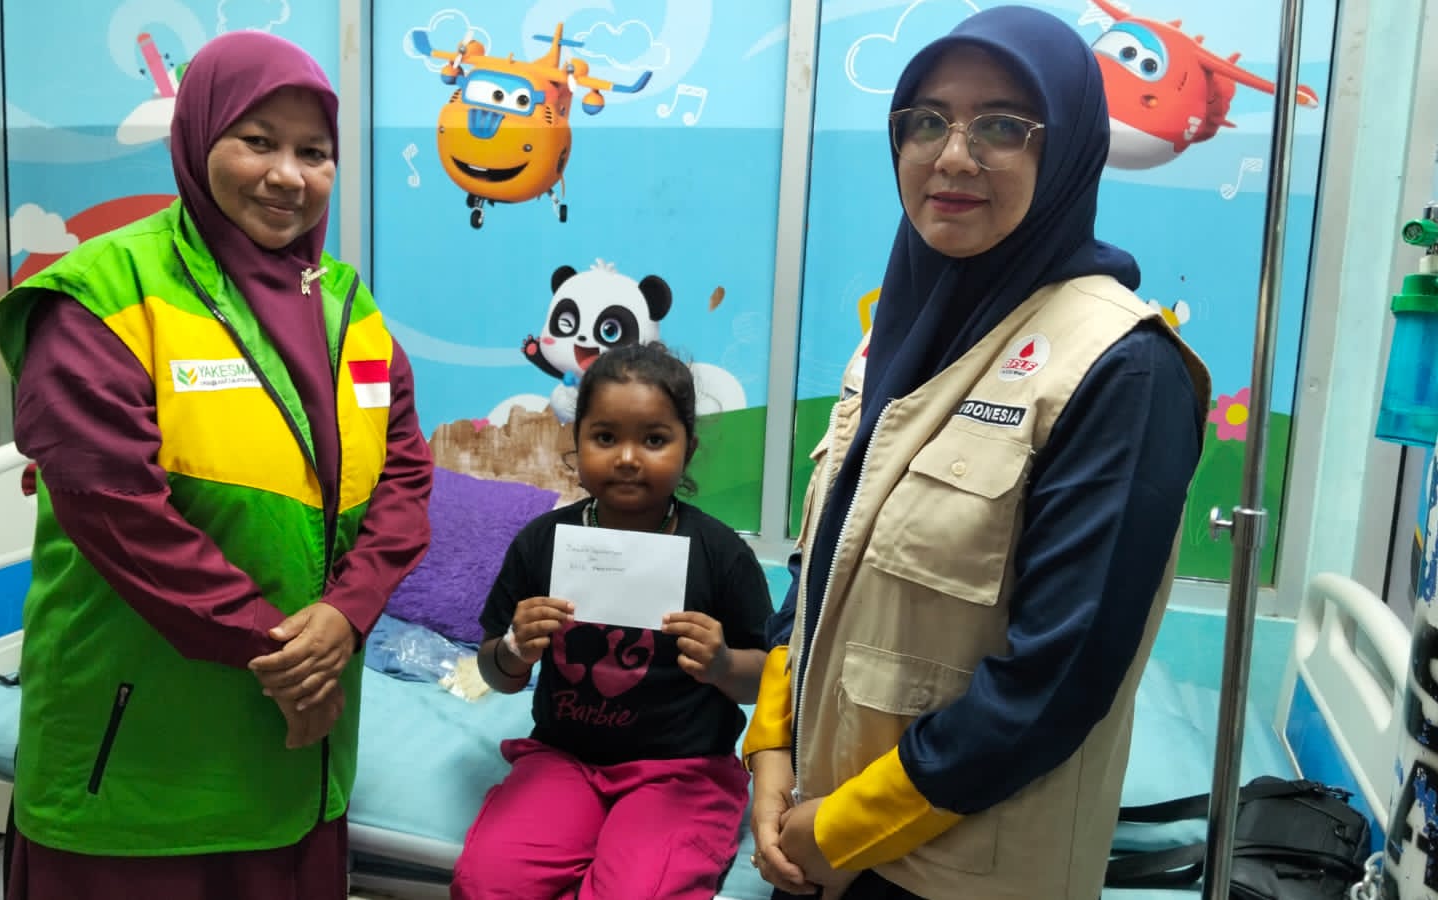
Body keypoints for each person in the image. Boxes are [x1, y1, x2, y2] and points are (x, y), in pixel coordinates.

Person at [742, 7, 1212, 900]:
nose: (953, 156)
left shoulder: (1121, 370)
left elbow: (1057, 679)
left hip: (954, 869)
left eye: (1001, 126)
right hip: (811, 832)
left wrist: (844, 828)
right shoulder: (899, 334)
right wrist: (769, 748)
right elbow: (821, 565)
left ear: (1066, 151)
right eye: (926, 121)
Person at [0, 30, 433, 900]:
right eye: (258, 141)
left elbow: (405, 478)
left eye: (314, 152)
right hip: (136, 763)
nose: (288, 175)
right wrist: (284, 655)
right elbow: (114, 507)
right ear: (196, 139)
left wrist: (345, 615)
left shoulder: (349, 309)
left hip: (298, 754)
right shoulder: (104, 296)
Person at [452, 342, 774, 899]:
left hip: (683, 771)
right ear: (575, 443)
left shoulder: (721, 555)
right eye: (605, 438)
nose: (627, 458)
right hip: (564, 759)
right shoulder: (541, 544)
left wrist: (722, 664)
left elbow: (766, 680)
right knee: (486, 884)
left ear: (689, 448)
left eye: (654, 439)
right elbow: (495, 674)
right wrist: (513, 650)